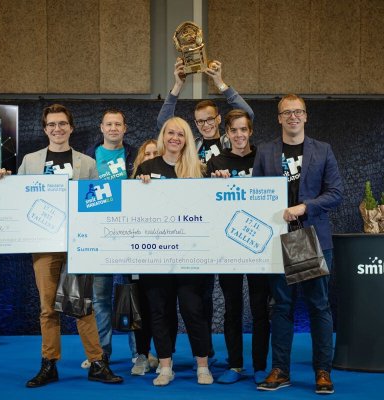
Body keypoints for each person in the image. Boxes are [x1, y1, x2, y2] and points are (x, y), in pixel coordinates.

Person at [0, 104, 123, 387]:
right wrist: (2, 180)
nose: (57, 129)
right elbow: (17, 198)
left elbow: (97, 205)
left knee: (82, 305)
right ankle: (49, 364)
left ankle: (97, 363)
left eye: (62, 123)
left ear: (71, 128)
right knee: (47, 307)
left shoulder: (87, 163)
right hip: (44, 244)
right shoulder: (30, 161)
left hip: (78, 244)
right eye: (51, 124)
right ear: (45, 129)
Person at [157, 59, 255, 363]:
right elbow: (163, 124)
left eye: (210, 119)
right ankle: (206, 350)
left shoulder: (231, 140)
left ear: (219, 118)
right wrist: (177, 85)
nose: (205, 125)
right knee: (201, 294)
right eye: (199, 121)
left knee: (228, 296)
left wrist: (221, 83)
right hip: (199, 226)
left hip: (231, 224)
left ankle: (228, 356)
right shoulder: (191, 146)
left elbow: (248, 116)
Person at [253, 94, 343, 394]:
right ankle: (280, 370)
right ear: (279, 118)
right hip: (277, 238)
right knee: (281, 307)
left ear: (306, 116)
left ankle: (323, 372)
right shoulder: (265, 151)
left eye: (298, 112)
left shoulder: (323, 150)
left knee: (319, 306)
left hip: (312, 236)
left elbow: (335, 193)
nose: (293, 116)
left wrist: (305, 207)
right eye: (287, 112)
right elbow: (255, 192)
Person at [135, 117, 213, 386]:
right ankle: (165, 366)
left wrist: (222, 181)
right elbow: (134, 209)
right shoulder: (147, 168)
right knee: (159, 311)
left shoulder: (198, 169)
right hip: (156, 254)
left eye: (180, 134)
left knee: (194, 310)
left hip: (190, 255)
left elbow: (211, 208)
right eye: (171, 133)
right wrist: (139, 188)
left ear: (186, 139)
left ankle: (202, 366)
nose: (175, 138)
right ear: (163, 136)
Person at [206, 109, 271, 385]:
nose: (239, 135)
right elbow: (208, 202)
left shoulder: (264, 158)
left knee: (260, 308)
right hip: (228, 245)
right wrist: (214, 183)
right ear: (227, 133)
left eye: (244, 129)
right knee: (232, 308)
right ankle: (234, 365)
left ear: (251, 131)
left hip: (259, 244)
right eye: (234, 130)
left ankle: (260, 366)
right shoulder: (216, 162)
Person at [82, 109, 137, 367]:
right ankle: (101, 353)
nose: (113, 128)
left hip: (131, 233)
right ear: (101, 128)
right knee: (100, 298)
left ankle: (139, 353)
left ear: (125, 128)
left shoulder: (135, 155)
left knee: (134, 294)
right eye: (109, 124)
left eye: (118, 124)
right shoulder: (87, 157)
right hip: (99, 236)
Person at [129, 138, 161, 375]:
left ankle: (164, 356)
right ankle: (141, 354)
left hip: (164, 256)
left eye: (155, 154)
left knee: (161, 308)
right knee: (140, 308)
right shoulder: (129, 188)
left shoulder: (173, 184)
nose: (151, 158)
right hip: (137, 257)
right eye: (147, 154)